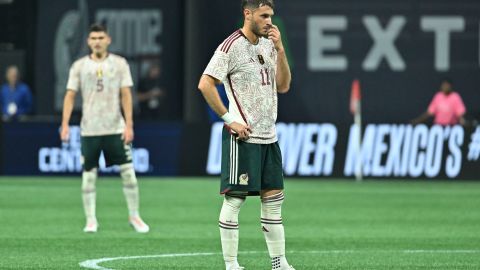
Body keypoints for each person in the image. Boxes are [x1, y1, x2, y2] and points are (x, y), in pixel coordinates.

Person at [197, 1, 294, 269]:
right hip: (243, 138)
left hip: (269, 137)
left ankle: (279, 263)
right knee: (235, 199)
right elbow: (205, 84)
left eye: (271, 16)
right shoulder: (230, 47)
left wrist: (281, 50)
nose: (269, 21)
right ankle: (231, 264)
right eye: (264, 16)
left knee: (274, 203)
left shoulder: (269, 44)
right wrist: (229, 120)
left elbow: (283, 86)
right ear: (247, 13)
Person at [60, 24, 149, 233]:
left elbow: (126, 94)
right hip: (90, 129)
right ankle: (91, 220)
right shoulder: (79, 66)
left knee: (128, 173)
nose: (97, 41)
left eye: (101, 37)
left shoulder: (119, 64)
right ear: (88, 41)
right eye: (93, 38)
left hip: (115, 127)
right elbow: (70, 95)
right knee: (89, 175)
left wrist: (129, 125)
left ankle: (134, 216)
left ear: (108, 39)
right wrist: (64, 124)